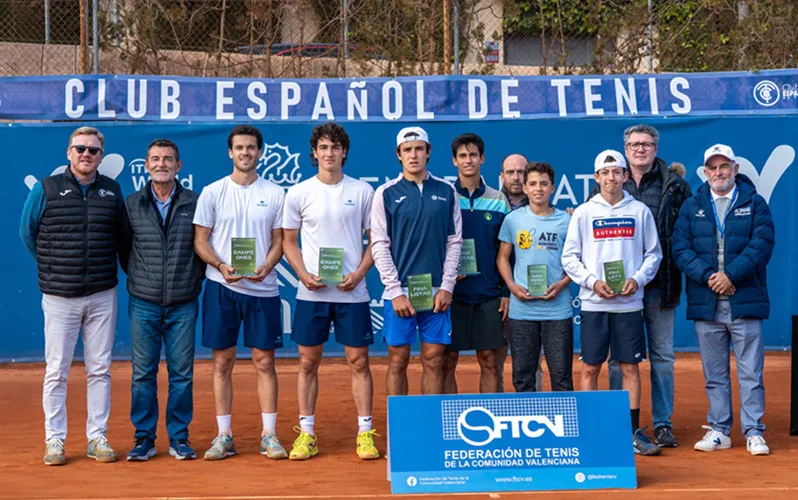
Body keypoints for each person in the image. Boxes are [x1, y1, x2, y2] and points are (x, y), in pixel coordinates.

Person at [20, 126, 124, 465]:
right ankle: (54, 440)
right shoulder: (46, 189)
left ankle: (97, 437)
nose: (86, 154)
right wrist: (52, 265)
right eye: (80, 148)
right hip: (59, 296)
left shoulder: (112, 191)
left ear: (101, 156)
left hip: (102, 293)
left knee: (100, 370)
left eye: (93, 150)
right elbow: (27, 232)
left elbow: (120, 237)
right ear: (69, 152)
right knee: (57, 371)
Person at [282, 123, 379, 460]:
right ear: (314, 152)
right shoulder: (299, 192)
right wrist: (303, 275)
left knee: (359, 361)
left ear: (344, 152)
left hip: (353, 293)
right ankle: (306, 434)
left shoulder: (363, 191)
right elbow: (288, 241)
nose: (329, 153)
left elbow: (376, 240)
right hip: (312, 294)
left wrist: (359, 273)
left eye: (335, 147)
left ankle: (365, 434)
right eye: (323, 147)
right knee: (307, 362)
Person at [193, 125, 287, 461]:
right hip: (222, 286)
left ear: (259, 152)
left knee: (265, 361)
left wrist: (267, 266)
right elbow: (200, 240)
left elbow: (280, 240)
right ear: (230, 152)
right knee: (222, 362)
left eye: (251, 147)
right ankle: (224, 436)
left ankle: (269, 435)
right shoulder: (212, 192)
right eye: (239, 147)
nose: (245, 152)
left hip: (263, 289)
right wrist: (220, 266)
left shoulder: (276, 193)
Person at [672, 144, 774, 456]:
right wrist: (709, 277)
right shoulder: (692, 206)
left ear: (735, 169)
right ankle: (719, 430)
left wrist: (730, 275)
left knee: (750, 373)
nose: (719, 172)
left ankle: (754, 432)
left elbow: (762, 245)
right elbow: (680, 248)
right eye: (713, 168)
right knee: (714, 375)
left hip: (745, 300)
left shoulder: (755, 203)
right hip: (707, 303)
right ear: (705, 172)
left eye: (724, 166)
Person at [561, 149, 663, 456]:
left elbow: (653, 254)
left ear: (625, 176)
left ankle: (631, 433)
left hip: (629, 305)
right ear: (596, 177)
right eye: (605, 173)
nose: (611, 178)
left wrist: (638, 279)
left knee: (630, 367)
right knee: (590, 368)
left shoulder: (640, 211)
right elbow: (569, 257)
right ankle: (590, 433)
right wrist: (593, 282)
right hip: (594, 304)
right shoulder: (583, 213)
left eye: (617, 172)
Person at [601, 124, 691, 448]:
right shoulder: (610, 181)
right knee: (619, 358)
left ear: (656, 148)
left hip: (659, 285)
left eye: (647, 144)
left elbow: (685, 234)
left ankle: (663, 424)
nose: (641, 149)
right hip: (619, 291)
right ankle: (617, 421)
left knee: (662, 357)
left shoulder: (676, 186)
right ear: (626, 149)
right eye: (635, 144)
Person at [119, 139, 205, 461]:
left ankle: (179, 437)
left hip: (184, 302)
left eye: (168, 159)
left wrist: (189, 280)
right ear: (146, 165)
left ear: (178, 166)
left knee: (182, 374)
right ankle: (144, 438)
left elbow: (202, 246)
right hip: (144, 302)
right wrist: (144, 281)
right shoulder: (131, 204)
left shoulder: (195, 202)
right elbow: (124, 250)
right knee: (143, 374)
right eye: (155, 159)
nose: (161, 164)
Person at [371, 126, 463, 396]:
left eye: (419, 149)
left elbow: (454, 241)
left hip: (436, 294)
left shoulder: (447, 191)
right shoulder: (385, 193)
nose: (413, 155)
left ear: (428, 152)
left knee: (434, 360)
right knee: (398, 361)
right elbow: (379, 244)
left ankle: (429, 420)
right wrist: (395, 292)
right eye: (407, 150)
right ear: (398, 154)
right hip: (399, 294)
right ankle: (399, 421)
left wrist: (446, 287)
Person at [442, 133, 510, 394]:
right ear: (454, 161)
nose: (468, 160)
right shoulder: (445, 197)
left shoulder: (498, 199)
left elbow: (507, 251)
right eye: (462, 156)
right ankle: (449, 415)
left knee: (489, 360)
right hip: (451, 293)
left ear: (482, 158)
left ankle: (489, 415)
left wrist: (505, 292)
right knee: (447, 360)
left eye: (473, 155)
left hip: (488, 293)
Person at [497, 162, 574, 392]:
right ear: (525, 188)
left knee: (561, 375)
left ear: (552, 188)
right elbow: (502, 258)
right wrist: (512, 286)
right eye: (532, 184)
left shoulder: (567, 221)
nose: (538, 189)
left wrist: (563, 283)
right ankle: (526, 416)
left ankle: (563, 416)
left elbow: (577, 261)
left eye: (543, 184)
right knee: (522, 376)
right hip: (522, 309)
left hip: (557, 309)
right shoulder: (513, 219)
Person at [497, 153, 543, 392]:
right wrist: (504, 291)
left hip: (531, 295)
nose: (515, 177)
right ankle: (497, 409)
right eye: (510, 172)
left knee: (531, 361)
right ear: (501, 176)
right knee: (493, 360)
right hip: (496, 294)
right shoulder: (491, 203)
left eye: (520, 172)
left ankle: (534, 407)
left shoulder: (543, 207)